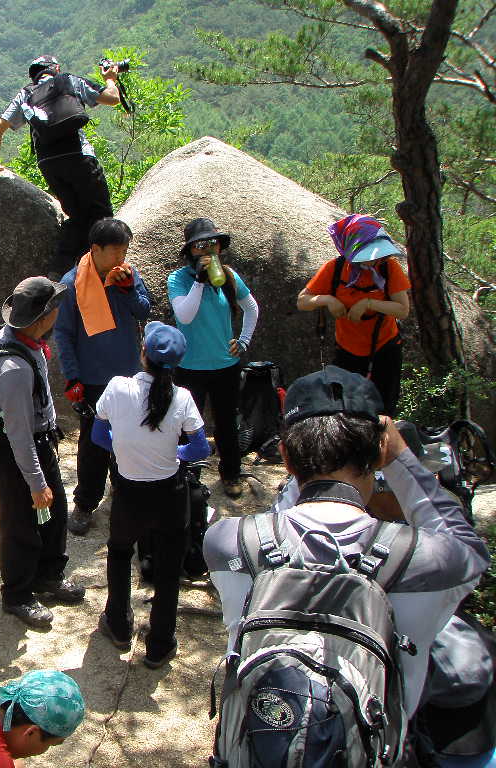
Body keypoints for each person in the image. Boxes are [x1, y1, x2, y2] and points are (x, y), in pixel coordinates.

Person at [203, 366, 490, 715]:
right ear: (380, 452)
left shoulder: (228, 543)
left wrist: (307, 464)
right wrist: (400, 459)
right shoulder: (427, 562)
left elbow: (277, 516)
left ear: (286, 457)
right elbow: (470, 547)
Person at [92, 322, 209, 668]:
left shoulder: (116, 388)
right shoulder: (183, 397)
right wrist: (174, 456)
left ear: (143, 353)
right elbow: (199, 447)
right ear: (176, 364)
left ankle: (118, 625)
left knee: (118, 551)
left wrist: (125, 449)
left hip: (129, 492)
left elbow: (100, 437)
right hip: (169, 494)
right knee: (169, 570)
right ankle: (159, 644)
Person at [0, 277, 84, 628]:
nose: (60, 311)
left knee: (55, 510)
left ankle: (48, 576)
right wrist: (35, 481)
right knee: (21, 522)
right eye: (55, 307)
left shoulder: (28, 341)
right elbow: (18, 432)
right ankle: (17, 593)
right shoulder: (11, 367)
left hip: (39, 443)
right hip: (17, 453)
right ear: (43, 317)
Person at [52, 218, 151, 535]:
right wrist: (72, 378)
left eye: (125, 251)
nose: (122, 258)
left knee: (129, 438)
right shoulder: (71, 284)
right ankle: (84, 503)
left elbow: (143, 310)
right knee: (93, 445)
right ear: (96, 249)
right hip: (93, 379)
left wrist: (127, 290)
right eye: (116, 251)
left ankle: (127, 493)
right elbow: (64, 335)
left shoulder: (128, 275)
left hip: (128, 374)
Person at [0, 54, 121, 279]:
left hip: (49, 164)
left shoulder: (26, 93)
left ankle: (59, 272)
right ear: (56, 68)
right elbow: (112, 98)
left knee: (76, 218)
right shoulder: (69, 80)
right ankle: (105, 276)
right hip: (79, 156)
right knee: (102, 218)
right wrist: (110, 78)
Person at [167, 217, 259, 499]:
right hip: (189, 366)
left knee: (226, 424)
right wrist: (198, 281)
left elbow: (251, 308)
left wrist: (242, 341)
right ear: (189, 251)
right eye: (199, 246)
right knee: (185, 424)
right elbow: (184, 315)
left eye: (213, 244)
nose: (207, 251)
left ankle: (230, 473)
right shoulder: (179, 279)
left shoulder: (229, 276)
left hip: (225, 365)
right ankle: (185, 475)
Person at [297, 214, 410, 416]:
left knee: (383, 412)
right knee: (346, 411)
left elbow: (402, 309)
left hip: (384, 349)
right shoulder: (336, 268)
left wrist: (368, 303)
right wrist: (328, 300)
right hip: (347, 351)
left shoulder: (388, 267)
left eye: (377, 254)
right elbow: (303, 301)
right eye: (368, 254)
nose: (374, 259)